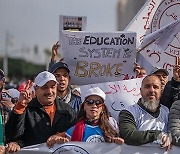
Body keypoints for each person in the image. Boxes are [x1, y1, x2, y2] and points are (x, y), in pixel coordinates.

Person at [5, 71, 77, 152]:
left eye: (52, 87)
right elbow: (12, 135)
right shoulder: (26, 108)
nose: (49, 91)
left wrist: (64, 135)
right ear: (36, 89)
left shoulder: (67, 110)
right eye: (44, 87)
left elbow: (77, 135)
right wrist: (20, 106)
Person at [46, 87, 124, 148]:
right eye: (89, 102)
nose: (94, 106)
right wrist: (56, 140)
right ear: (84, 106)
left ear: (102, 107)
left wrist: (116, 142)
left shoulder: (111, 127)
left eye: (98, 103)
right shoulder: (74, 128)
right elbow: (53, 139)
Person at [119, 74, 171, 150]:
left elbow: (174, 134)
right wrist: (157, 135)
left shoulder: (167, 111)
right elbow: (128, 135)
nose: (152, 90)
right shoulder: (128, 112)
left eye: (155, 87)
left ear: (161, 91)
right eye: (147, 86)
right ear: (141, 91)